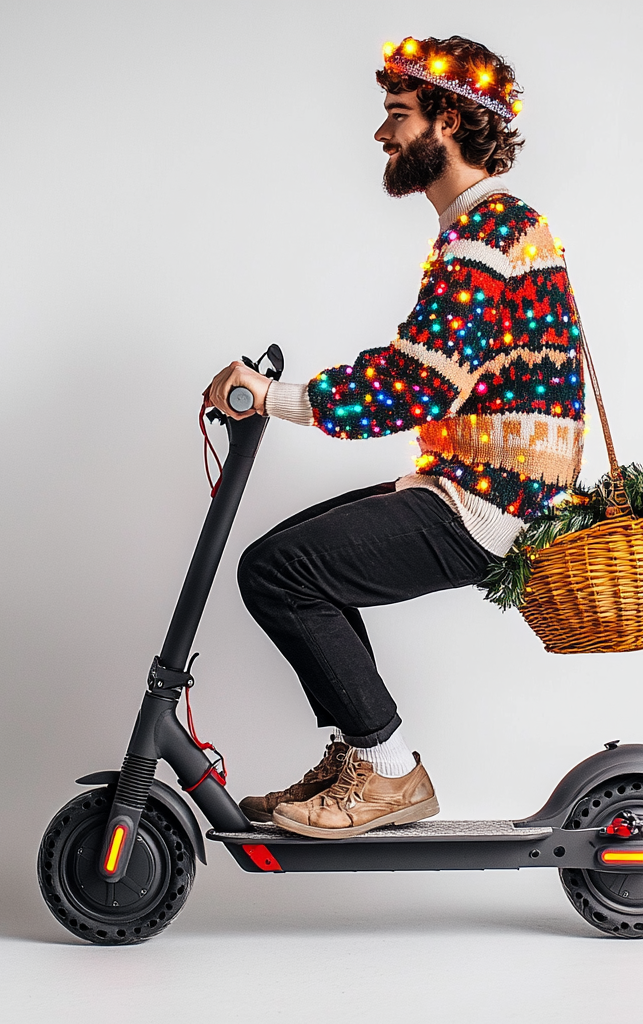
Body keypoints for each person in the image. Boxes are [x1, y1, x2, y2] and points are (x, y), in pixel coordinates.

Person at [205, 35, 585, 839]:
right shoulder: (491, 228)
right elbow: (437, 372)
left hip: (484, 505)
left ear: (448, 119)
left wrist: (274, 397)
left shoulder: (488, 232)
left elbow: (419, 380)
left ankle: (388, 770)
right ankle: (367, 758)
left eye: (398, 115)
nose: (382, 135)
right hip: (466, 486)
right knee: (284, 561)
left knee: (279, 572)